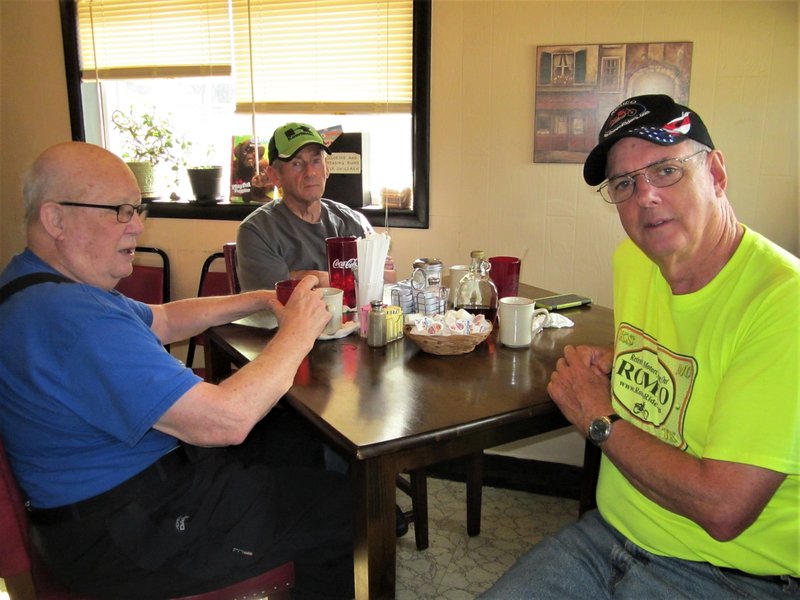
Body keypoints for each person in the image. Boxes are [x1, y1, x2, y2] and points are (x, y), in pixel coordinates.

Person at [0, 142, 354, 600]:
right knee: (349, 510)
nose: (138, 226)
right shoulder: (68, 316)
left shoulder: (43, 285)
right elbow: (224, 420)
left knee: (294, 431)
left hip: (131, 495)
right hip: (126, 530)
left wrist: (263, 298)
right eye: (121, 212)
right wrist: (300, 330)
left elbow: (163, 318)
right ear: (56, 219)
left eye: (138, 209)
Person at [480, 94, 799, 599]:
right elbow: (694, 346)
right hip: (609, 535)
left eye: (666, 170)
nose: (644, 196)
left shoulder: (785, 303)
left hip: (728, 573)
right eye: (624, 183)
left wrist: (597, 415)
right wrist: (623, 356)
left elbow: (724, 509)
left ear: (716, 173)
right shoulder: (635, 259)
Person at [235, 122, 380, 292]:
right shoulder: (256, 231)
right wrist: (349, 279)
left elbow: (387, 278)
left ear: (327, 169)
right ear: (274, 176)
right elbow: (275, 302)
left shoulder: (352, 221)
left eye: (316, 161)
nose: (310, 172)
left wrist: (309, 277)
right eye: (297, 163)